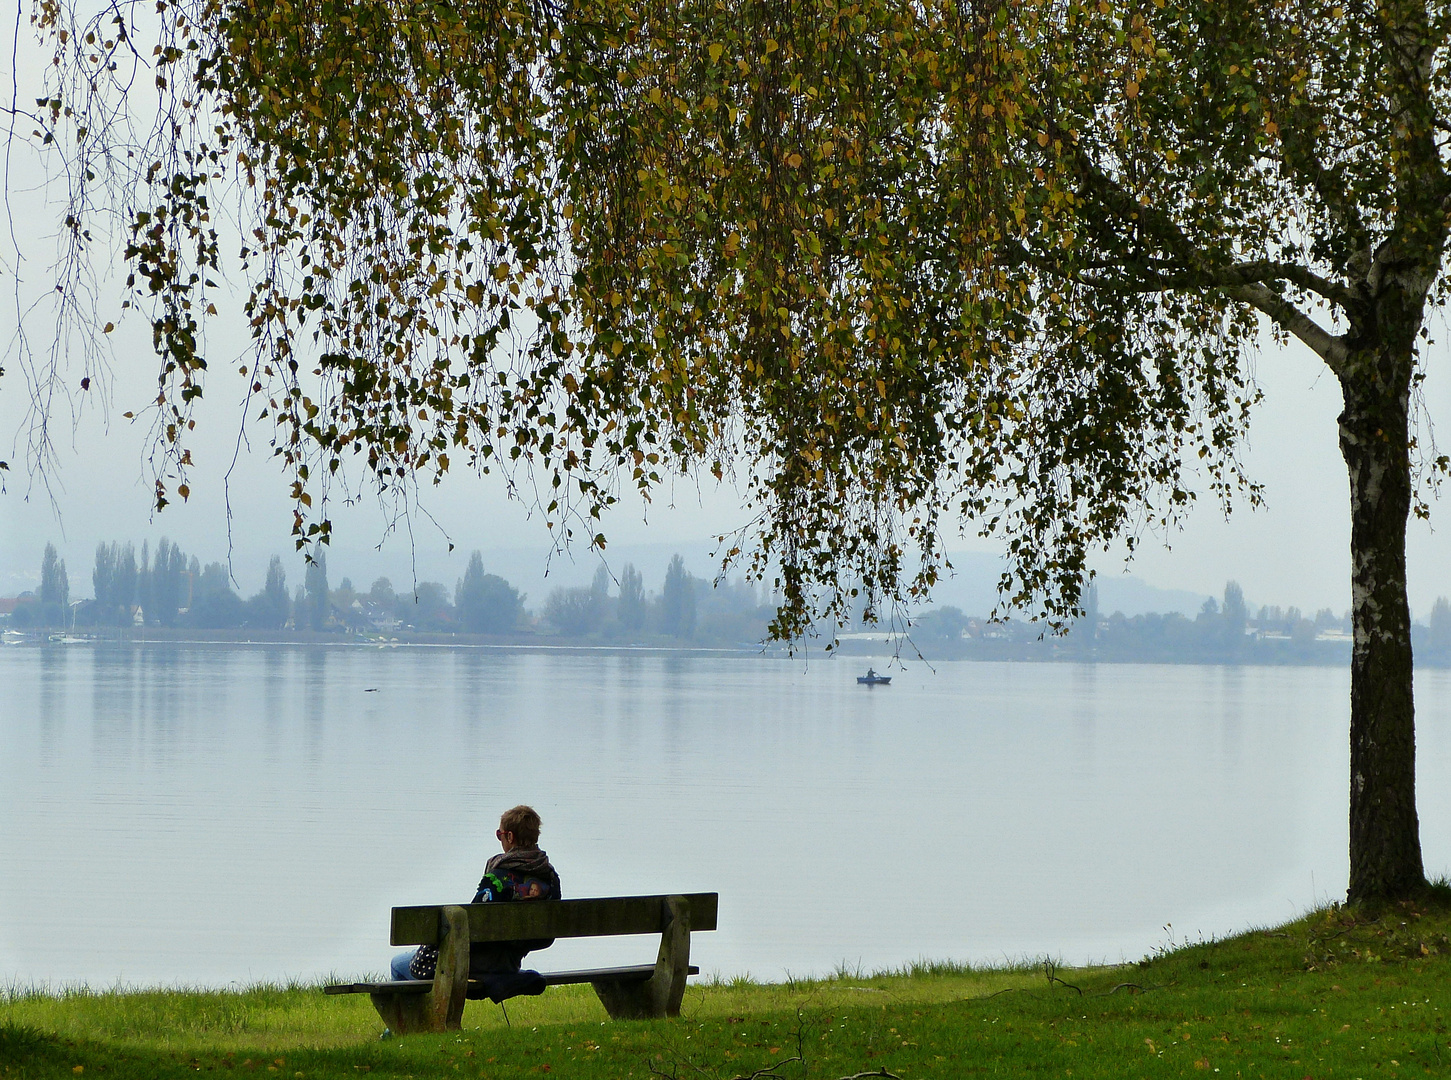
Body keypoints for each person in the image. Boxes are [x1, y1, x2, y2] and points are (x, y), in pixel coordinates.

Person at [390, 805, 562, 1000]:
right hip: (510, 963)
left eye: (500, 834)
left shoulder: (498, 878)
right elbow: (545, 936)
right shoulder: (550, 877)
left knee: (398, 964)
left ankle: (413, 1027)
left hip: (478, 965)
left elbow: (470, 927)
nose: (500, 839)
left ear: (510, 837)